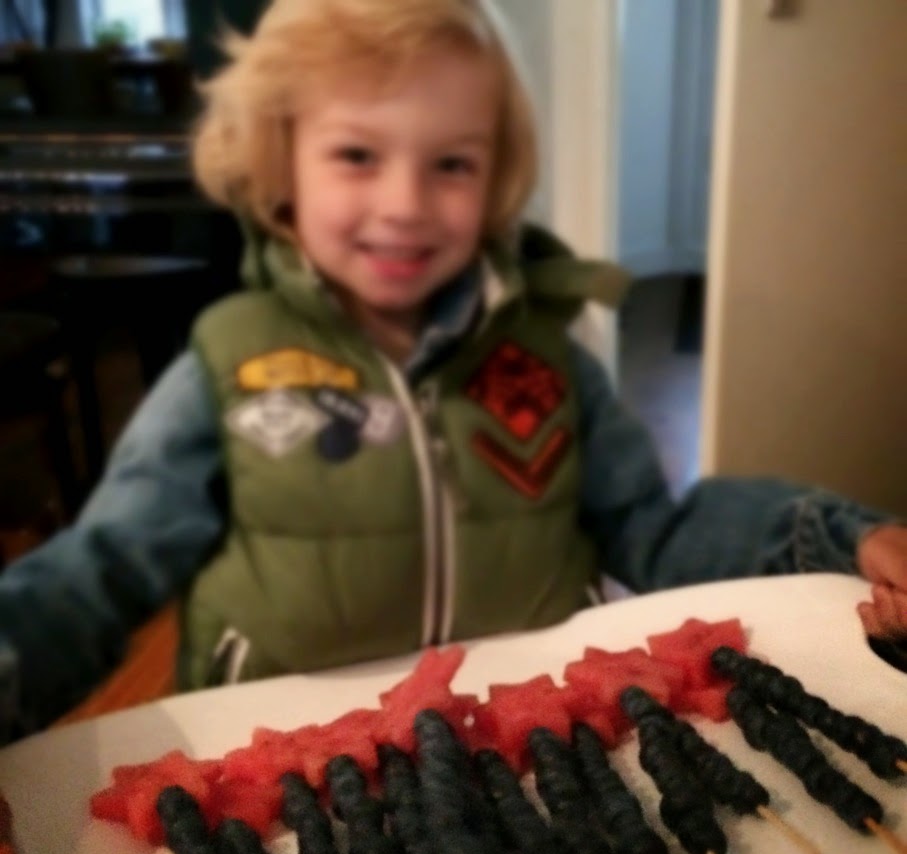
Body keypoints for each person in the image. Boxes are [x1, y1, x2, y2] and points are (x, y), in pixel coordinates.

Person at [0, 0, 905, 742]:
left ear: (495, 176)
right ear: (280, 164)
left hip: (527, 740)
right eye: (357, 155)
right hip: (294, 762)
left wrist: (832, 536)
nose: (404, 203)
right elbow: (100, 571)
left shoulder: (546, 358)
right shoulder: (227, 363)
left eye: (451, 164)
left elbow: (654, 530)